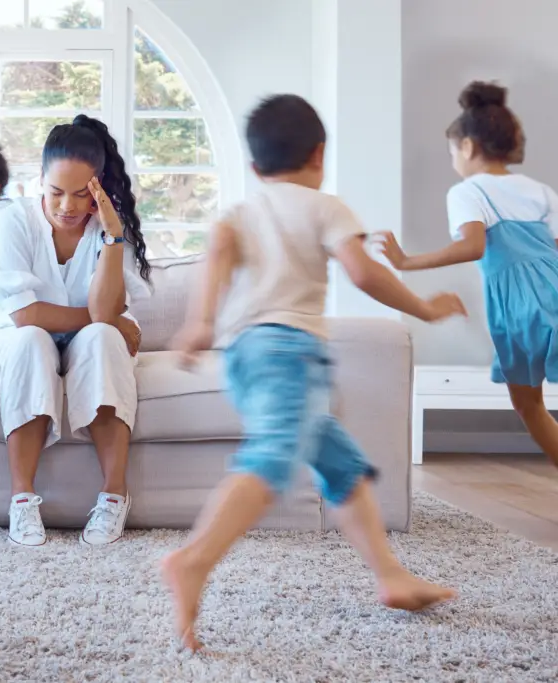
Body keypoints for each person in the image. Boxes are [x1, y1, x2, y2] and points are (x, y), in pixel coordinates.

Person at [161, 94, 464, 652]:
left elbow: (217, 256)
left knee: (340, 464)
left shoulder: (240, 214)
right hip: (288, 352)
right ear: (319, 154)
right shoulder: (325, 207)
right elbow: (361, 272)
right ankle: (194, 560)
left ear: (254, 167)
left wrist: (200, 323)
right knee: (274, 455)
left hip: (244, 356)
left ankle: (390, 575)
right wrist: (423, 308)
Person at [0, 115, 152, 547]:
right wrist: (103, 318)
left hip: (83, 341)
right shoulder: (15, 221)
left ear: (97, 187)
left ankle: (114, 495)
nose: (67, 207)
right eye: (56, 192)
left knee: (105, 337)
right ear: (39, 179)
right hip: (15, 338)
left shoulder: (107, 227)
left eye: (80, 194)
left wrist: (113, 237)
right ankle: (21, 498)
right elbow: (26, 316)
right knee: (34, 340)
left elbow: (106, 314)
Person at [375, 81, 558, 470]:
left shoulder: (467, 191)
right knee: (531, 403)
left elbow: (472, 246)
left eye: (452, 152)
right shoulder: (541, 190)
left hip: (521, 305)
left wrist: (407, 262)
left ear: (468, 147)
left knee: (529, 405)